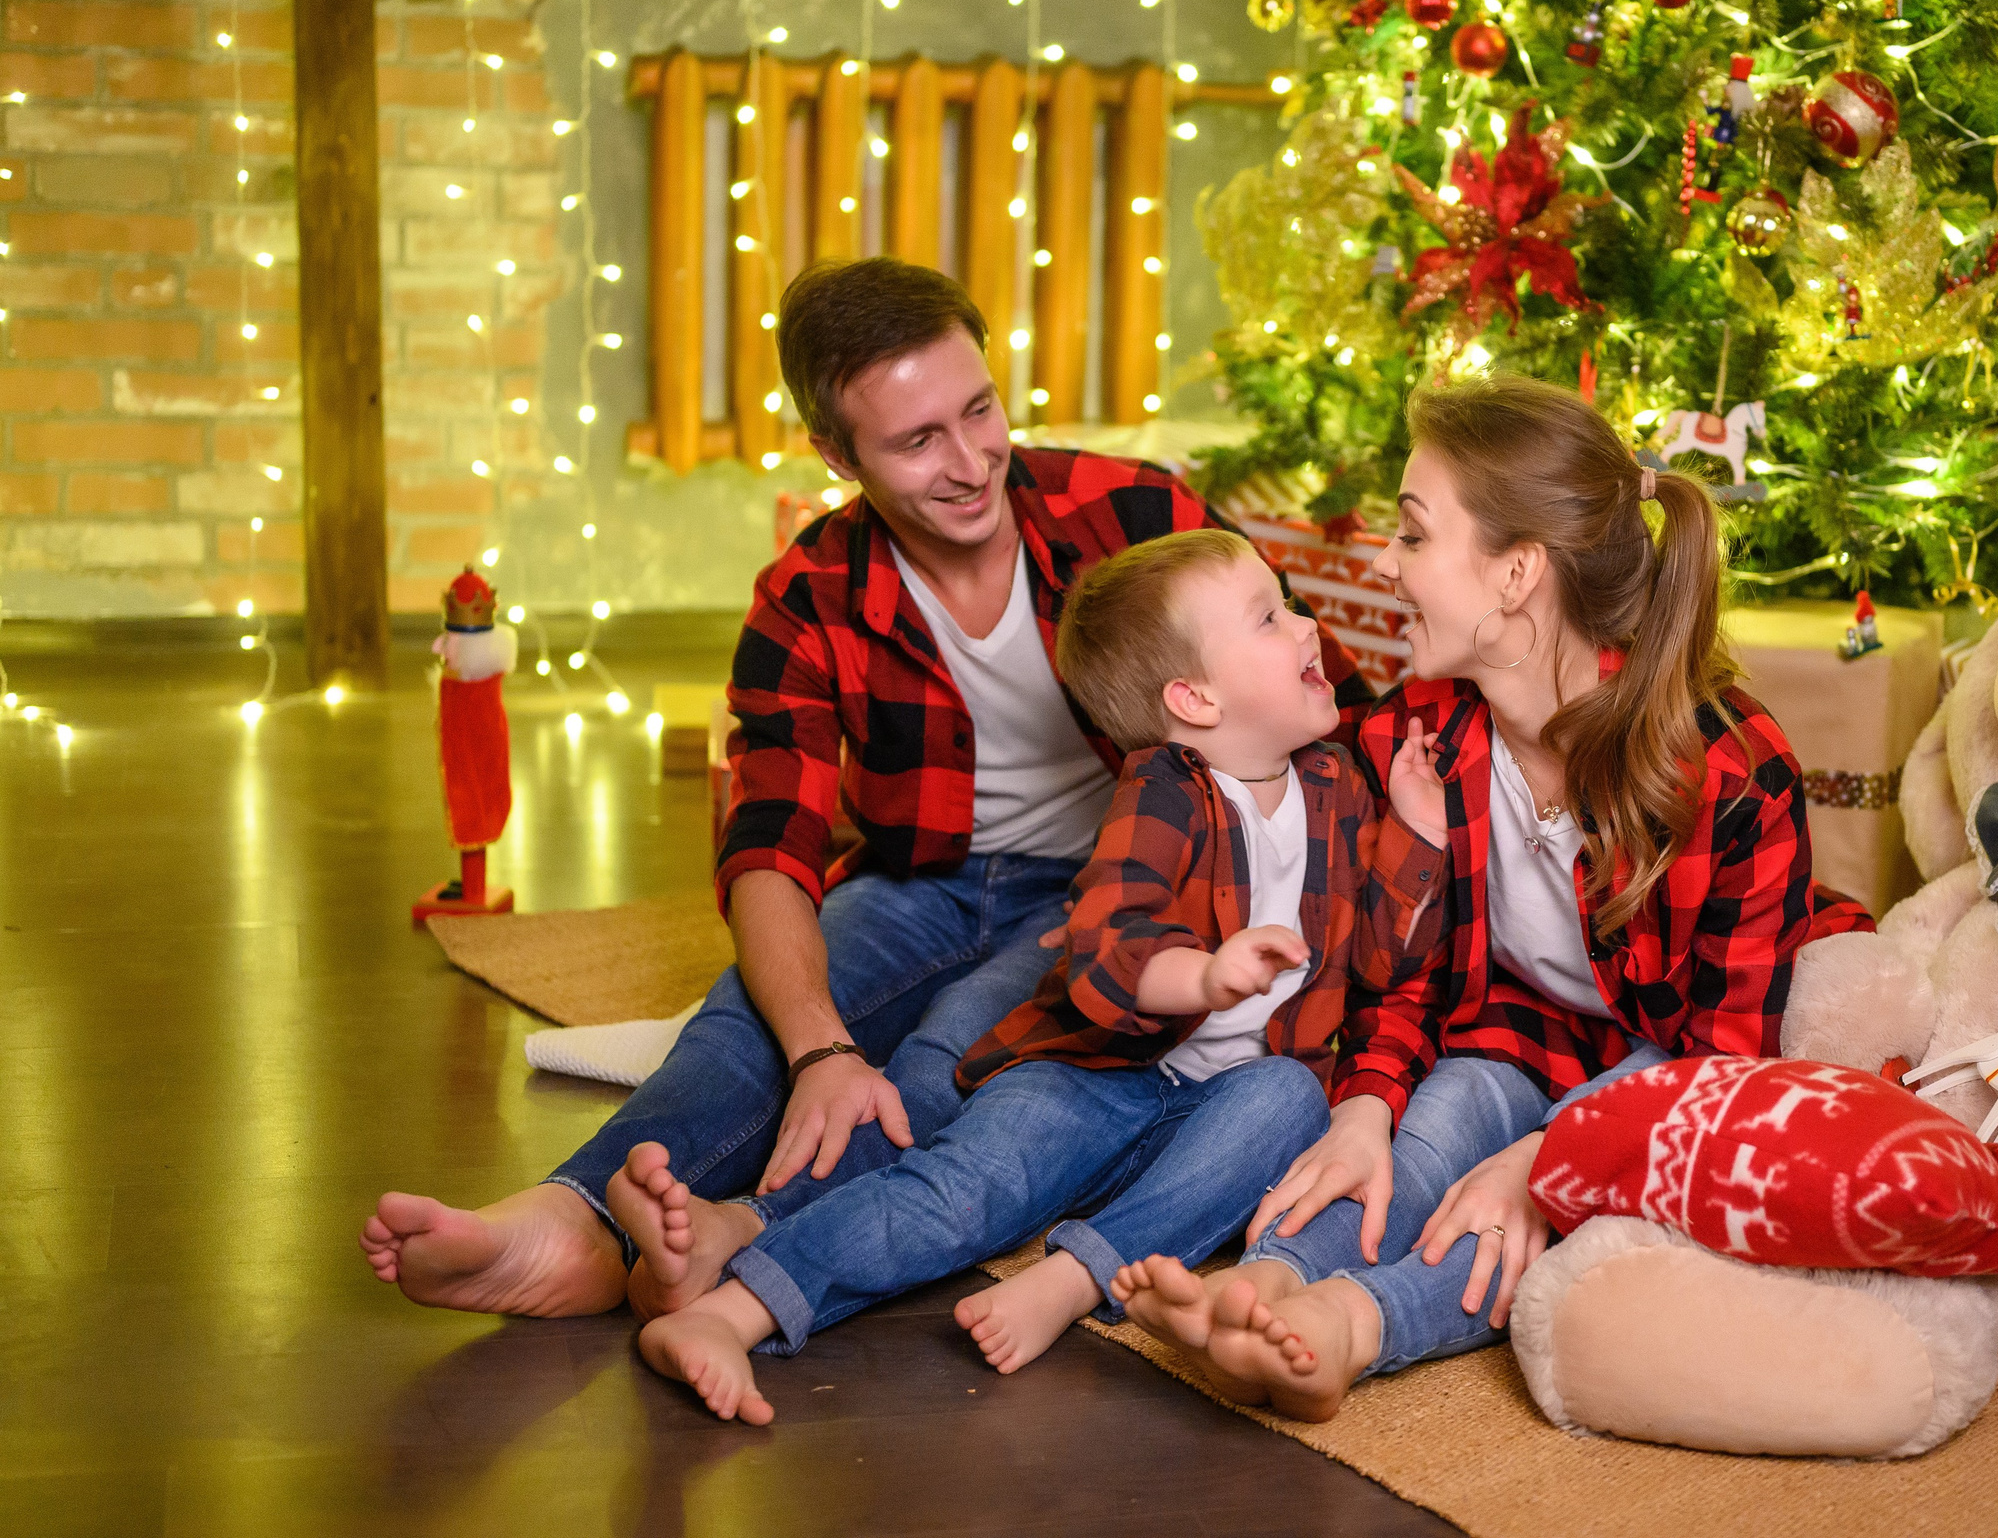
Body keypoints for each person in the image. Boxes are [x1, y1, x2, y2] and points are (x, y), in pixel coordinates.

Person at [360, 259, 1372, 1319]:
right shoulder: (807, 595)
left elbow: (1321, 691)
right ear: (836, 454)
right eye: (916, 440)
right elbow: (767, 852)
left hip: (1115, 883)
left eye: (979, 409)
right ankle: (571, 1217)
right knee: (752, 1016)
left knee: (963, 1051)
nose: (972, 460)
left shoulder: (1131, 510)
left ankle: (745, 1233)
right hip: (921, 880)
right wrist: (823, 1047)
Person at [1115, 375, 1873, 1419]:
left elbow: (1725, 1061)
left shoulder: (1731, 772)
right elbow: (1404, 968)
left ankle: (1348, 1327)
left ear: (1517, 573)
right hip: (1519, 1030)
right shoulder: (1416, 734)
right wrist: (1368, 1102)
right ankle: (1264, 1285)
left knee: (1547, 1206)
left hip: (1676, 1059)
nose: (1382, 563)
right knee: (1442, 1113)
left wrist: (1551, 1155)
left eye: (1414, 535)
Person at [623, 529, 1450, 1422]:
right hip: (1102, 1071)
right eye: (1269, 616)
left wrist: (1419, 838)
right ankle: (729, 1313)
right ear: (1194, 697)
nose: (1305, 625)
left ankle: (1070, 1277)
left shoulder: (1338, 786)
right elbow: (1106, 946)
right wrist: (1206, 975)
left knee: (1290, 1097)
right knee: (964, 1191)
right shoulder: (1165, 792)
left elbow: (1380, 961)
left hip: (1226, 1097)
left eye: (1286, 603)